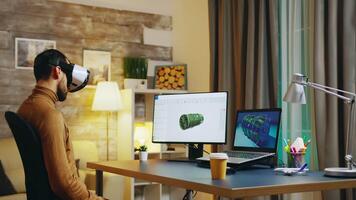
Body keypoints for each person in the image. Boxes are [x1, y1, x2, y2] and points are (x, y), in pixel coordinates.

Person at [17, 49, 104, 200]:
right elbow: (64, 184)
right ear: (57, 71)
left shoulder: (25, 108)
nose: (69, 83)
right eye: (66, 75)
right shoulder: (50, 116)